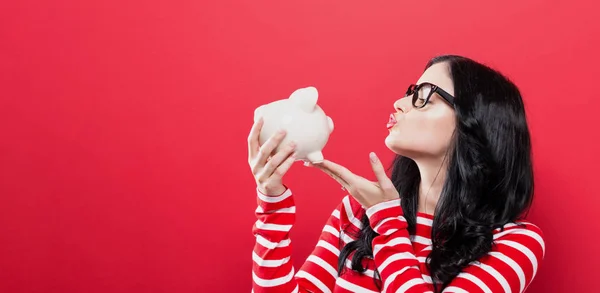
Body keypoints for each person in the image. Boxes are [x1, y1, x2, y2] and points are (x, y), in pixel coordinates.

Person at [247, 55, 545, 293]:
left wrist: (387, 222)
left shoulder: (517, 243)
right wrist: (272, 206)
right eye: (409, 92)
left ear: (475, 122)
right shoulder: (356, 211)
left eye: (424, 94)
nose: (399, 104)